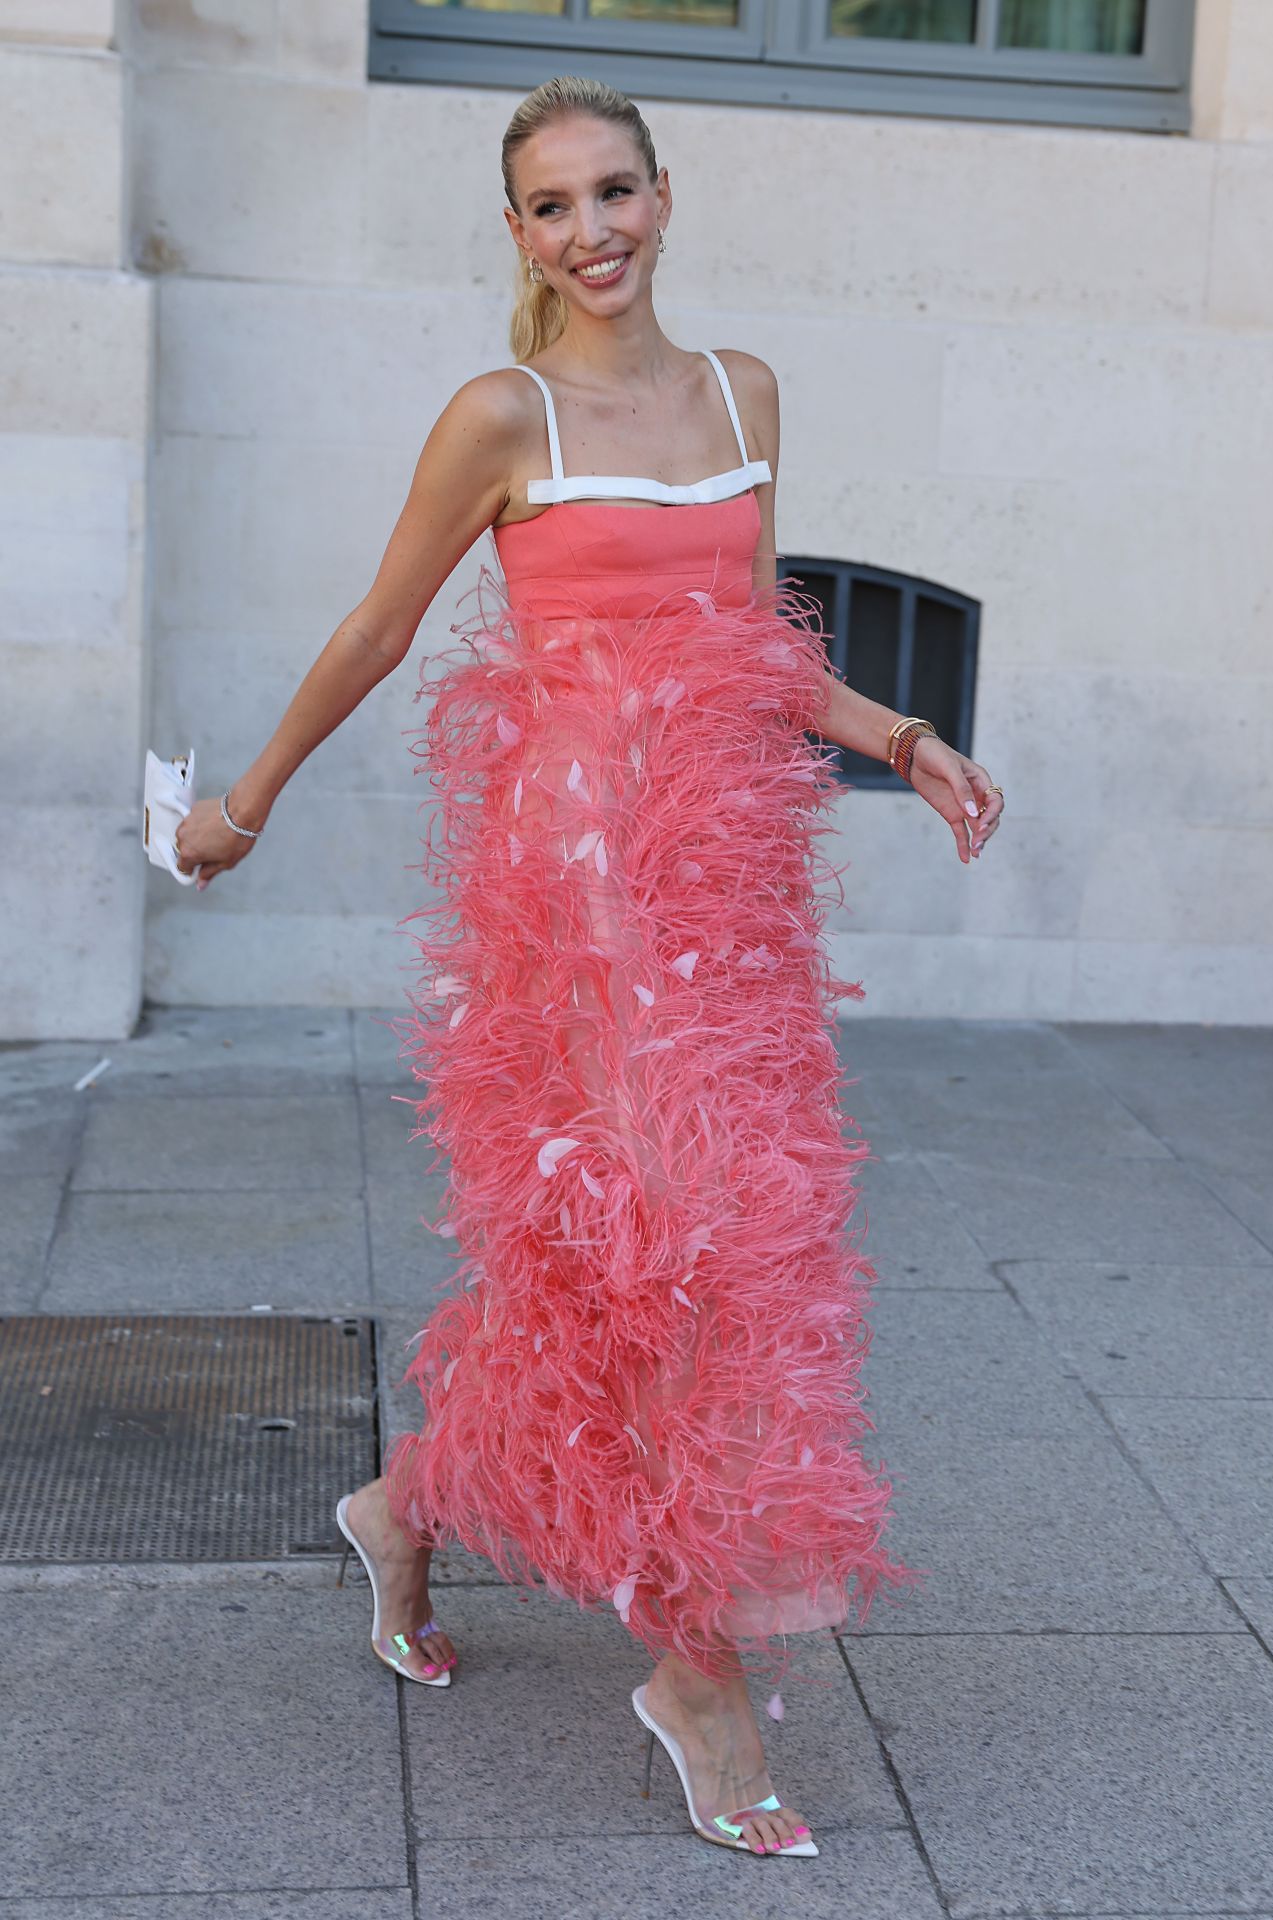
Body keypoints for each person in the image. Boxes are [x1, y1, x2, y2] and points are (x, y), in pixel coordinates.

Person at [174, 74, 1004, 1860]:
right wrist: (240, 802)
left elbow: (760, 647)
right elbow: (383, 627)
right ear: (517, 234)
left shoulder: (741, 394)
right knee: (659, 1265)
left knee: (670, 1258)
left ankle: (400, 1507)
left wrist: (906, 736)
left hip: (724, 894)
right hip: (572, 896)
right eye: (552, 207)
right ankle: (692, 1668)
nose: (592, 232)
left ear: (665, 195)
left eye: (614, 192)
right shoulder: (504, 413)